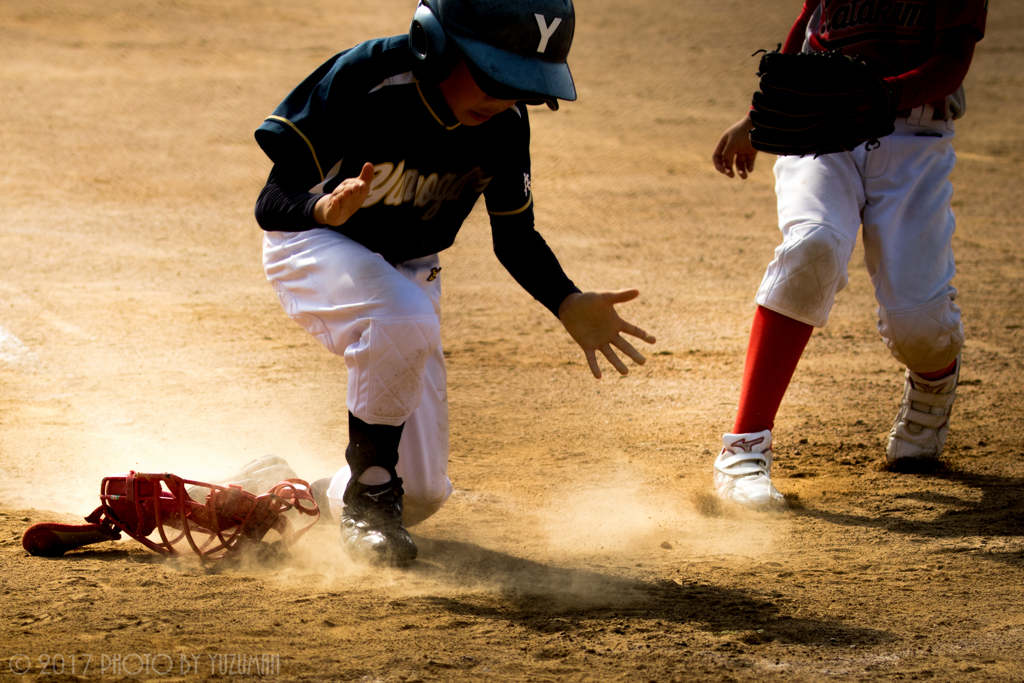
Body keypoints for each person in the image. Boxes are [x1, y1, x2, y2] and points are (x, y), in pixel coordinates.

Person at [253, 0, 655, 563]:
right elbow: (273, 202)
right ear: (432, 43)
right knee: (402, 318)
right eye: (494, 74)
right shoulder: (369, 78)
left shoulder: (505, 126)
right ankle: (369, 502)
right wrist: (324, 209)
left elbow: (515, 237)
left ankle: (285, 495)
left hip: (409, 268)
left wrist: (566, 301)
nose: (505, 97)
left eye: (524, 84)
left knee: (419, 492)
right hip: (314, 243)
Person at [709, 0, 987, 508]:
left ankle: (931, 384)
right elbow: (810, 20)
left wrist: (886, 95)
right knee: (812, 246)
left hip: (914, 135)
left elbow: (953, 61)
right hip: (824, 126)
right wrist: (759, 115)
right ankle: (744, 448)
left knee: (920, 326)